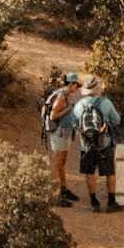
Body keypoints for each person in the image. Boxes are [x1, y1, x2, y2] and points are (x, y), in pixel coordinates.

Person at [70, 73, 123, 212]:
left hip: (86, 145)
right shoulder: (106, 103)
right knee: (110, 172)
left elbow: (74, 123)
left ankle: (94, 203)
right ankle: (111, 203)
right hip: (104, 143)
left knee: (89, 172)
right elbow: (117, 120)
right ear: (97, 87)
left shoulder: (79, 105)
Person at [42, 71, 81, 206]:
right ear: (71, 83)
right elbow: (53, 116)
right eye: (77, 85)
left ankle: (63, 190)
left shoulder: (64, 94)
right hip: (59, 133)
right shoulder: (62, 96)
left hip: (63, 133)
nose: (78, 89)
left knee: (61, 164)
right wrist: (68, 109)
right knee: (58, 164)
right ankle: (54, 195)